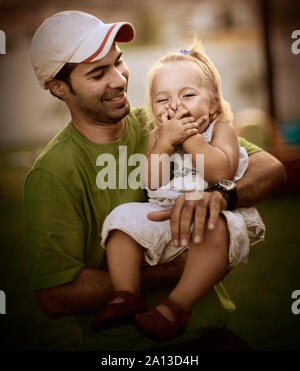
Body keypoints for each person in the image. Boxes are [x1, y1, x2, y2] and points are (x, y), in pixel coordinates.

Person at [25, 10, 286, 351]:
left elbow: (270, 169)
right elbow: (55, 297)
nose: (119, 80)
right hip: (129, 350)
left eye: (118, 62)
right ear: (59, 87)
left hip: (210, 336)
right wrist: (176, 267)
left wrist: (224, 195)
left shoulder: (161, 118)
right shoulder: (53, 173)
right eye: (98, 73)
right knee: (121, 224)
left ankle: (178, 307)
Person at [91, 40, 265, 341]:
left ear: (212, 103)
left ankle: (175, 307)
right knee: (121, 220)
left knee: (215, 227)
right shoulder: (159, 135)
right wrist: (163, 143)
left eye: (187, 95)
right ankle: (126, 296)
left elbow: (221, 171)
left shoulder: (219, 129)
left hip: (210, 215)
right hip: (164, 215)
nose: (175, 105)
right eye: (162, 100)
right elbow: (152, 181)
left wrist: (190, 140)